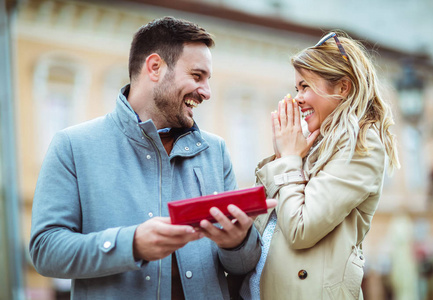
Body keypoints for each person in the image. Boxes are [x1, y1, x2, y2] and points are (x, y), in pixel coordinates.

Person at [29, 16, 273, 300]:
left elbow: (245, 265)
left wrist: (237, 243)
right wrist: (131, 244)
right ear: (155, 67)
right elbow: (44, 251)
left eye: (208, 79)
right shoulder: (72, 145)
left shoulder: (215, 151)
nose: (206, 91)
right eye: (197, 76)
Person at [240, 32, 400, 299]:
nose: (297, 98)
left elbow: (301, 229)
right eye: (296, 88)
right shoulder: (311, 143)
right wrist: (282, 157)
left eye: (305, 87)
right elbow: (265, 222)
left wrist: (289, 159)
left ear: (342, 88)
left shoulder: (363, 145)